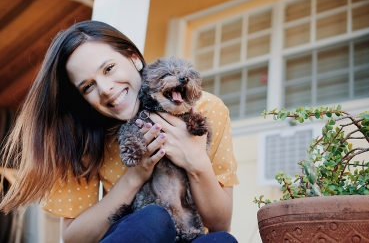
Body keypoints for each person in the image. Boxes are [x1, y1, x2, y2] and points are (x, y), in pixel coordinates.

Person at [0, 21, 239, 243]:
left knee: (221, 241)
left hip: (191, 233)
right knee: (153, 218)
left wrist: (196, 161)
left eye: (109, 68)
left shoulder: (206, 109)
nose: (105, 89)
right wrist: (134, 177)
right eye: (88, 86)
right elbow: (73, 237)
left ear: (133, 57)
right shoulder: (84, 135)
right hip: (138, 233)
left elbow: (220, 224)